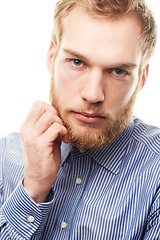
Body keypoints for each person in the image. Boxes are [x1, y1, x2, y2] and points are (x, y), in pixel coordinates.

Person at [0, 0, 159, 239]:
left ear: (142, 78)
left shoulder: (155, 172)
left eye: (118, 71)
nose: (93, 94)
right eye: (77, 62)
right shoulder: (6, 154)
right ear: (52, 57)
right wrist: (31, 190)